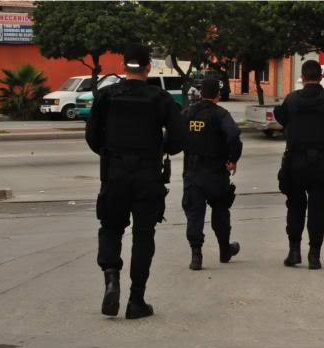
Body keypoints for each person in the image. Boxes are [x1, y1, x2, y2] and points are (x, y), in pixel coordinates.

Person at [85, 44, 187, 319]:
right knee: (144, 235)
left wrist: (111, 152)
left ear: (123, 66)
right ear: (148, 67)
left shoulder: (107, 96)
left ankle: (111, 277)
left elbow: (93, 137)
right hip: (147, 176)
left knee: (111, 228)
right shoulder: (161, 98)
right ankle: (136, 299)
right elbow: (179, 139)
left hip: (115, 174)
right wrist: (160, 147)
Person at [274, 60, 324, 270]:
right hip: (323, 162)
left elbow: (280, 117)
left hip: (295, 162)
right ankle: (314, 256)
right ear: (320, 76)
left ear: (302, 76)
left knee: (295, 205)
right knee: (318, 207)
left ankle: (293, 252)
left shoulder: (291, 99)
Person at [182, 79, 243, 271]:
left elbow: (172, 136)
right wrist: (233, 159)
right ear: (218, 94)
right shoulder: (220, 114)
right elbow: (233, 135)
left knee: (194, 214)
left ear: (201, 93)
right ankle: (225, 250)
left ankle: (196, 255)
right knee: (221, 212)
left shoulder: (188, 112)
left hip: (193, 172)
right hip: (216, 173)